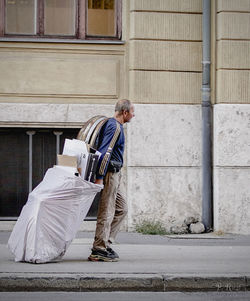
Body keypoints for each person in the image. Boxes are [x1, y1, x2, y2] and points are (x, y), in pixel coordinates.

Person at [88, 99, 135, 262]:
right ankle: (98, 249)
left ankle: (105, 242)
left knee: (122, 209)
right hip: (108, 173)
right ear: (125, 112)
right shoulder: (114, 126)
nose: (133, 115)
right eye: (132, 112)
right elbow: (104, 153)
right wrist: (99, 177)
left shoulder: (117, 127)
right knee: (106, 210)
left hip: (116, 173)